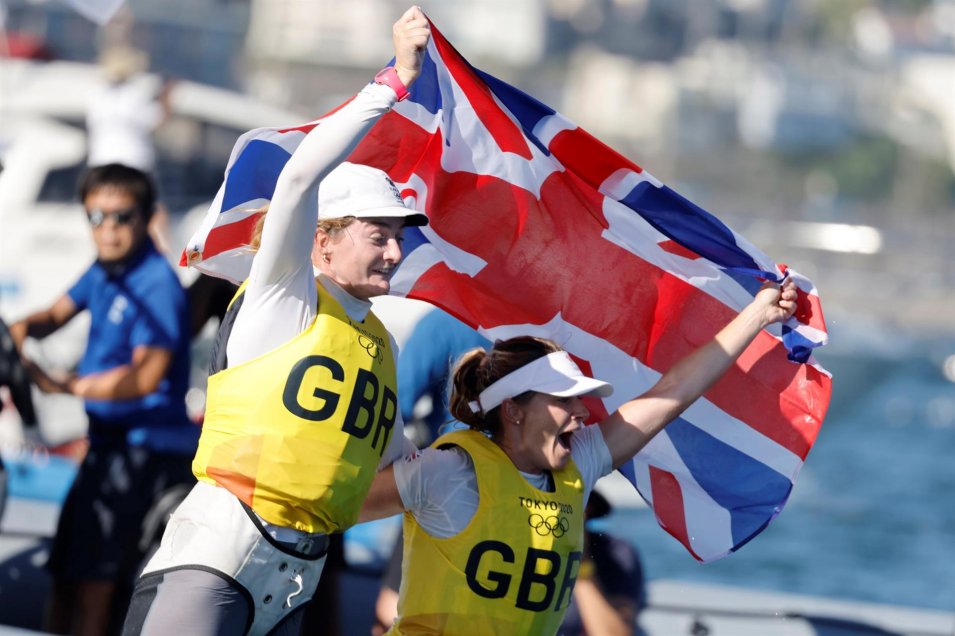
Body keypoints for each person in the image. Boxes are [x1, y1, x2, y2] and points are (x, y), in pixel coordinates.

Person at [121, 8, 432, 635]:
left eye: (400, 237)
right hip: (219, 555)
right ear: (321, 241)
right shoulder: (285, 295)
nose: (397, 252)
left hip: (294, 581)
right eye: (380, 236)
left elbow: (398, 460)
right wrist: (396, 80)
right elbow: (297, 180)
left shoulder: (377, 345)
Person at [359, 278, 799, 635]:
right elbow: (335, 510)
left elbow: (673, 393)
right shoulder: (449, 471)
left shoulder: (579, 464)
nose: (581, 413)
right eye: (564, 402)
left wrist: (758, 315)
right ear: (513, 410)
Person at [9, 163, 197, 636]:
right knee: (65, 575)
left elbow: (144, 377)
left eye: (121, 217)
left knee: (96, 585)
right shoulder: (105, 269)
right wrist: (19, 331)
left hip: (144, 453)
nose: (108, 229)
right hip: (108, 447)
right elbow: (54, 313)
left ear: (146, 217)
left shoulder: (157, 284)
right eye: (96, 217)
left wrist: (66, 385)